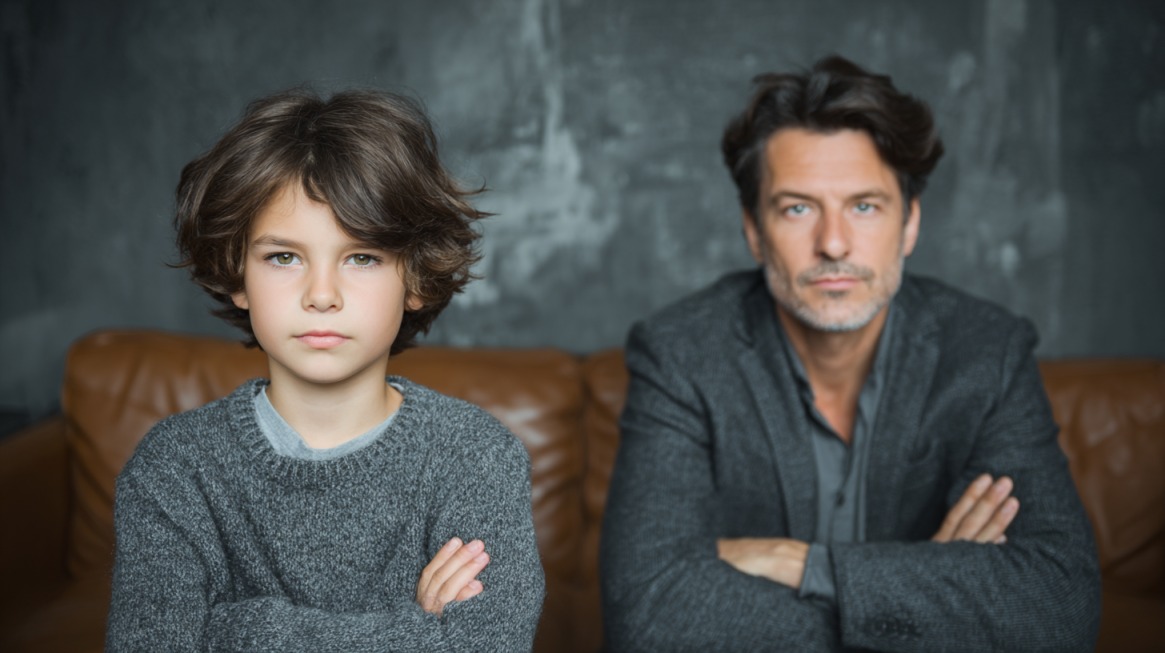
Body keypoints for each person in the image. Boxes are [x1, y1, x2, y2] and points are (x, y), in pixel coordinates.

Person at [600, 55, 1100, 652]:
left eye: (864, 206)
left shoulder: (986, 353)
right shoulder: (681, 353)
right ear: (754, 231)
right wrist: (925, 602)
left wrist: (805, 565)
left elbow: (1061, 607)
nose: (833, 243)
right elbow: (647, 616)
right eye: (798, 208)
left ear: (909, 223)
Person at [106, 89, 545, 651]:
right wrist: (417, 631)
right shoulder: (174, 468)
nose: (321, 295)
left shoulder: (476, 458)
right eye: (283, 257)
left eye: (362, 257)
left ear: (414, 280)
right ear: (237, 274)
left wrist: (232, 630)